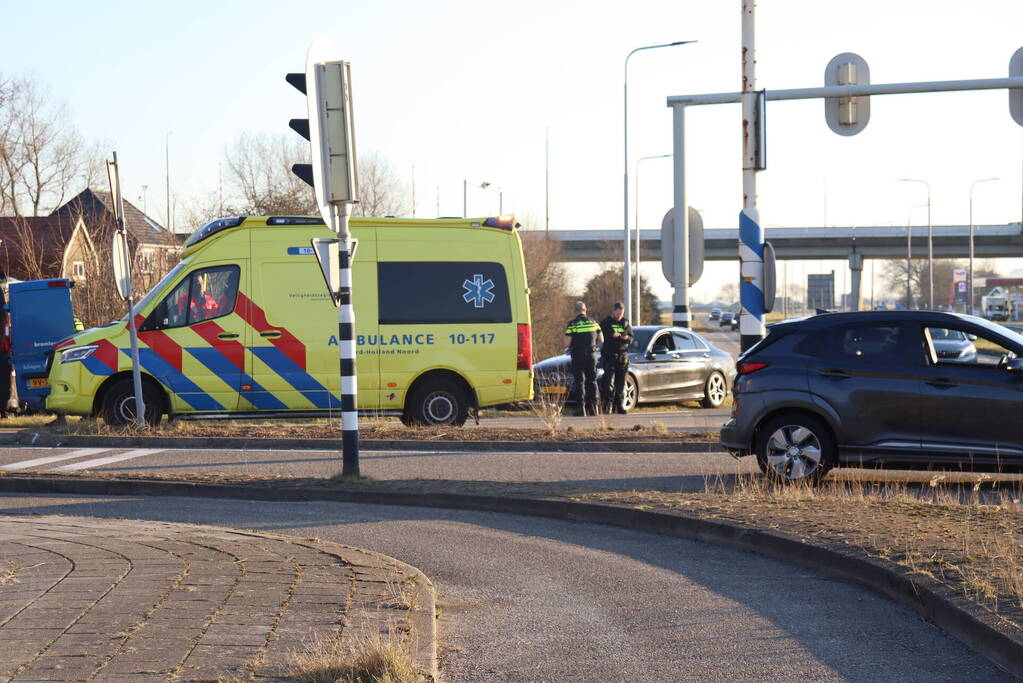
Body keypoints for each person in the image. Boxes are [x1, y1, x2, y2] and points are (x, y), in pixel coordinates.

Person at [563, 301, 602, 416]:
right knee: (592, 381)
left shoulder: (572, 324)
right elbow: (601, 340)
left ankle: (581, 409)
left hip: (578, 355)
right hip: (592, 355)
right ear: (585, 310)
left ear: (574, 311)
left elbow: (567, 343)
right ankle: (595, 408)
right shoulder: (594, 323)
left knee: (579, 382)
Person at [599, 301, 633, 414]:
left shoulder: (625, 323)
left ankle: (620, 406)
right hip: (609, 356)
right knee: (608, 382)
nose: (619, 316)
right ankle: (608, 406)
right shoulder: (605, 322)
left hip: (622, 356)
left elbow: (632, 338)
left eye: (621, 314)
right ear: (613, 311)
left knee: (621, 382)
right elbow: (600, 337)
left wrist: (626, 338)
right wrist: (611, 335)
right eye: (618, 314)